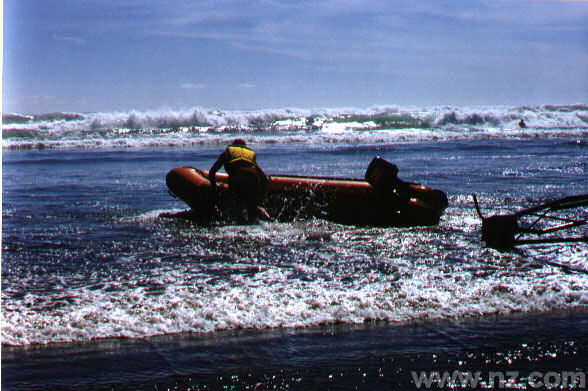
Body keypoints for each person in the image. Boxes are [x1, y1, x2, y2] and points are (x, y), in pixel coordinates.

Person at [209, 139, 273, 222]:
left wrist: (215, 190)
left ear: (233, 145)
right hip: (253, 178)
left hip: (238, 177)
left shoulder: (227, 152)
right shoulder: (250, 154)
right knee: (252, 207)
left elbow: (212, 172)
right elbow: (263, 178)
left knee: (236, 205)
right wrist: (263, 196)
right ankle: (267, 218)